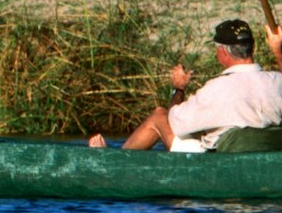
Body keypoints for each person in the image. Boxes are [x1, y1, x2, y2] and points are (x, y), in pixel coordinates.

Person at [88, 19, 282, 151]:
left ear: (222, 52)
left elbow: (175, 122)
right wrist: (279, 53)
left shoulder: (215, 89)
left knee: (159, 116)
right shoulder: (277, 81)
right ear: (252, 48)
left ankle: (113, 162)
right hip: (265, 150)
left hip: (220, 161)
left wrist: (178, 89)